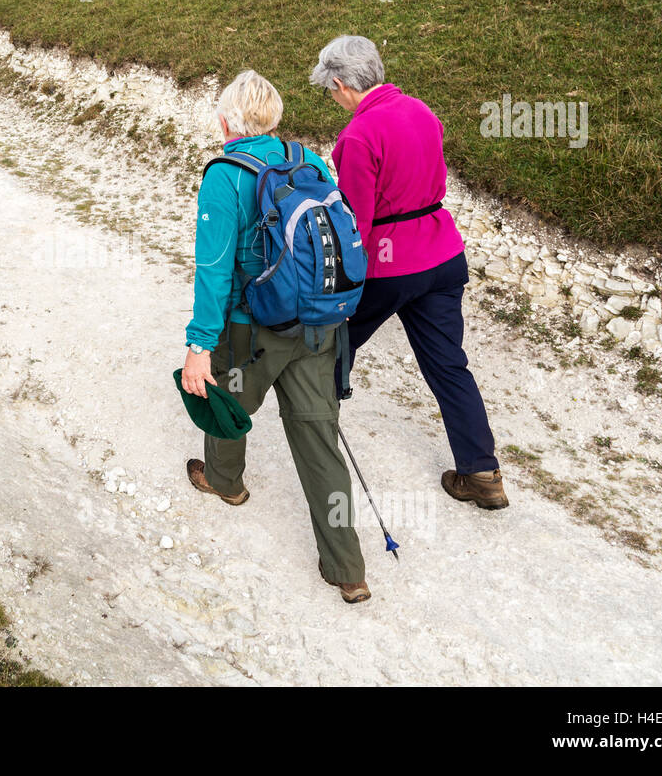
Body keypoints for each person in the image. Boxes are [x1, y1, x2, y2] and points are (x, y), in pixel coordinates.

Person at [180, 70, 370, 603]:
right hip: (319, 322)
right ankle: (347, 567)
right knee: (318, 437)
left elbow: (213, 269)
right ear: (274, 117)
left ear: (225, 120)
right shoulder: (306, 160)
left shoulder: (225, 174)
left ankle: (225, 481)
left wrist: (199, 347)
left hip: (252, 328)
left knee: (223, 399)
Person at [308, 35, 508, 510]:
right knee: (448, 364)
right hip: (442, 253)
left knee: (336, 341)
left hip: (391, 262)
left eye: (328, 91)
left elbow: (358, 219)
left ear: (340, 83)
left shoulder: (357, 135)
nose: (331, 99)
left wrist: (339, 281)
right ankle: (482, 472)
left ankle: (317, 438)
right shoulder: (421, 110)